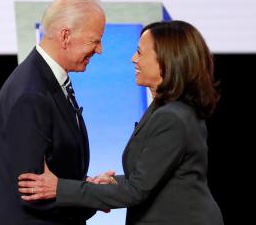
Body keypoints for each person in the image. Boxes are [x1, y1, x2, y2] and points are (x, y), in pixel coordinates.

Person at [18, 20, 224, 225]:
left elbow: (137, 190)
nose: (134, 59)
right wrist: (111, 183)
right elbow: (154, 176)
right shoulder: (166, 108)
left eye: (140, 53)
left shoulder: (172, 117)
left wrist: (58, 188)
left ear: (166, 60)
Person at [0, 0, 106, 225]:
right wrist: (92, 196)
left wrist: (85, 187)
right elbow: (33, 194)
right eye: (95, 40)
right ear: (65, 36)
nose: (100, 49)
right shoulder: (31, 94)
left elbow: (56, 177)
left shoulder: (47, 81)